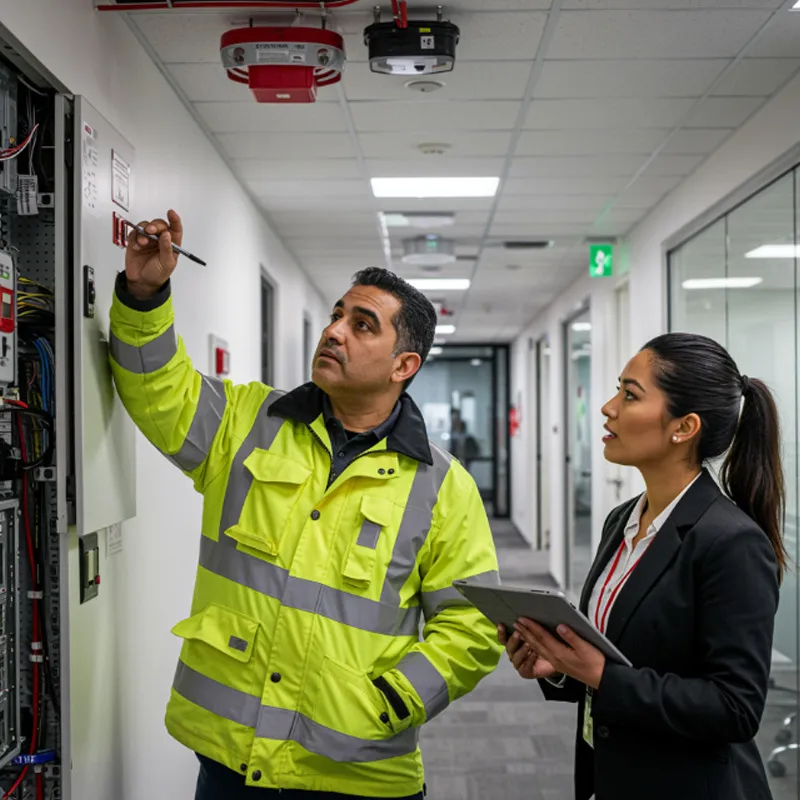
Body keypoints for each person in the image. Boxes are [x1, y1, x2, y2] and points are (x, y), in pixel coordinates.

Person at [109, 211, 503, 799]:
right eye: (337, 315)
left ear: (405, 366)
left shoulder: (441, 485)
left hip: (358, 773)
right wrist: (145, 295)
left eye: (363, 325)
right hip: (231, 761)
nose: (335, 331)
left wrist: (393, 699)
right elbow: (156, 392)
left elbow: (473, 622)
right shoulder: (247, 421)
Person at [501, 333, 785, 800]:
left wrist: (600, 676)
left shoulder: (731, 543)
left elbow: (735, 708)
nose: (608, 407)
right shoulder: (623, 519)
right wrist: (561, 666)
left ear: (684, 427)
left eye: (630, 395)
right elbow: (627, 659)